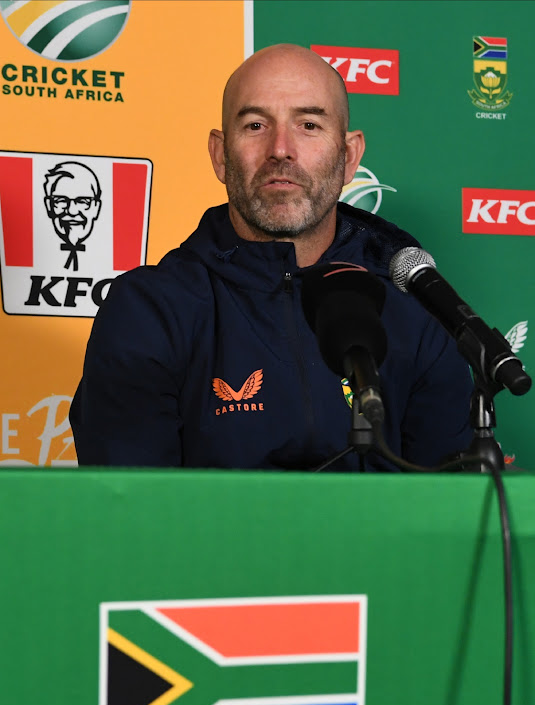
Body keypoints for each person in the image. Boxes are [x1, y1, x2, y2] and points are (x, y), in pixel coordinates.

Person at [70, 44, 473, 471]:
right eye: (256, 124)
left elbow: (453, 510)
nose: (281, 149)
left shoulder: (413, 307)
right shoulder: (150, 310)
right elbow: (130, 514)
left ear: (349, 156)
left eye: (309, 124)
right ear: (220, 156)